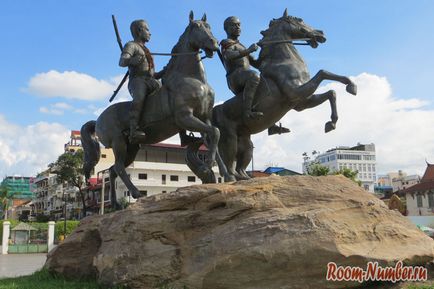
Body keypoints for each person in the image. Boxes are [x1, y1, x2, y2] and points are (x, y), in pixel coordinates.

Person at [119, 19, 164, 143]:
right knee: (139, 98)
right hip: (137, 81)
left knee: (168, 94)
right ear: (139, 31)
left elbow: (152, 74)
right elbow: (122, 62)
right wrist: (132, 61)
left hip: (150, 81)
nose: (150, 33)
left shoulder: (148, 51)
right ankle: (133, 129)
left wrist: (164, 72)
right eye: (147, 29)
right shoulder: (131, 45)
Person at [220, 16, 263, 121]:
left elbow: (257, 64)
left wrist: (265, 50)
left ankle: (271, 124)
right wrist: (248, 51)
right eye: (234, 25)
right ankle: (247, 112)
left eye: (239, 25)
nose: (237, 27)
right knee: (254, 75)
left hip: (245, 75)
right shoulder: (226, 42)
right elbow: (228, 55)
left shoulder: (241, 46)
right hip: (235, 78)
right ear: (226, 28)